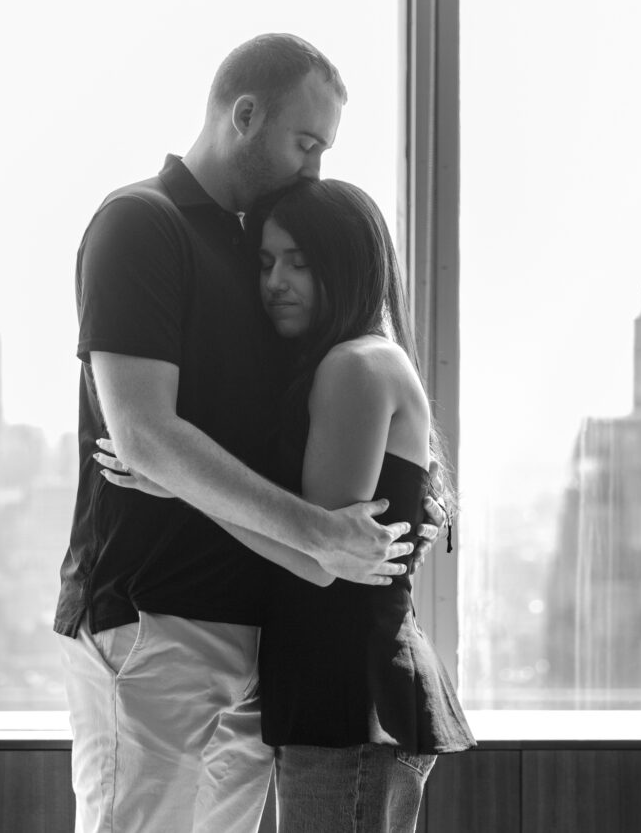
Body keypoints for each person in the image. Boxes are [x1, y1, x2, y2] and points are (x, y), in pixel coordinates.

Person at [56, 34, 438, 833]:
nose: (315, 169)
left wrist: (414, 497)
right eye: (306, 143)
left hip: (258, 635)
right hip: (152, 618)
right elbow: (143, 435)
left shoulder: (255, 250)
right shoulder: (140, 222)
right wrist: (324, 536)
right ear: (245, 115)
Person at [100, 178, 474, 832]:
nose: (276, 280)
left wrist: (184, 484)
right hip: (343, 694)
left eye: (300, 261)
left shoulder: (353, 366)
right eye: (268, 261)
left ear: (349, 265)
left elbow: (319, 558)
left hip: (348, 697)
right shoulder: (353, 361)